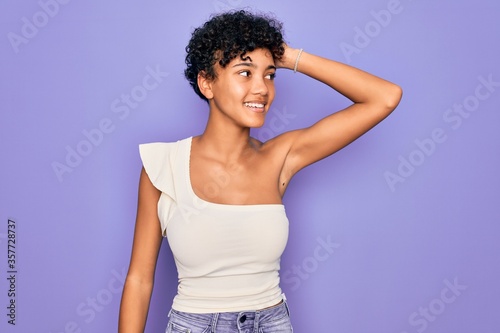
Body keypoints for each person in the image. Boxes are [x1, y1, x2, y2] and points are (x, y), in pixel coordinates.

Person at [118, 9, 402, 333]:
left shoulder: (280, 158)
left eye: (270, 74)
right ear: (206, 82)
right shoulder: (163, 165)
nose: (262, 89)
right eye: (245, 72)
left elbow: (384, 98)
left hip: (272, 324)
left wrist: (290, 56)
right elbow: (139, 279)